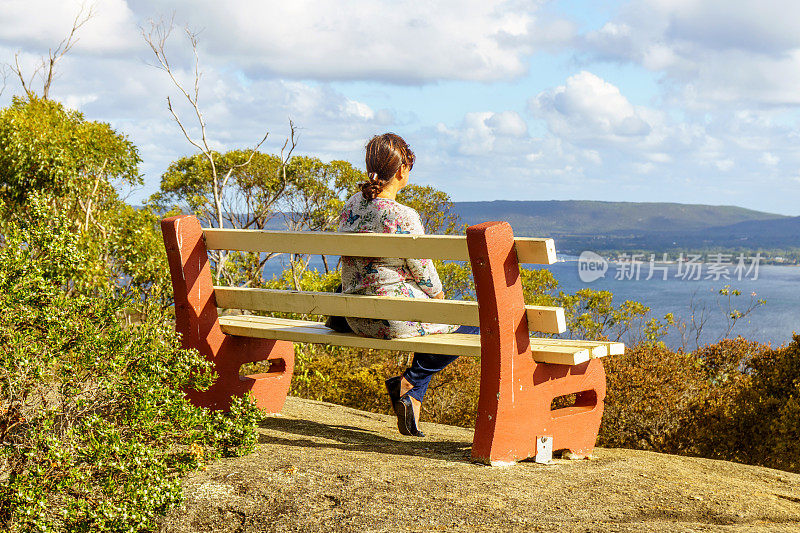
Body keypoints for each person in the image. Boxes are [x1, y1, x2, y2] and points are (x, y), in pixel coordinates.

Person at [337, 132, 478, 437]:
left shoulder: (351, 206)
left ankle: (412, 392)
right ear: (401, 171)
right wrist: (439, 298)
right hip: (391, 321)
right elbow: (425, 274)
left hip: (356, 317)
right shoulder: (403, 215)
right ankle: (411, 382)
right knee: (479, 322)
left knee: (430, 318)